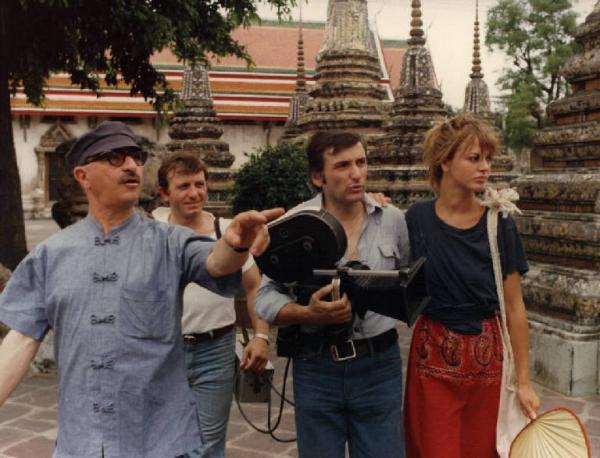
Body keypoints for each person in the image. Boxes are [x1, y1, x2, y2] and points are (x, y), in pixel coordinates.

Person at [0, 121, 283, 458]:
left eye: (135, 156)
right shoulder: (50, 255)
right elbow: (21, 339)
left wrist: (236, 245)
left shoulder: (170, 242)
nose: (131, 165)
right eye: (115, 158)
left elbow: (215, 263)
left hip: (156, 439)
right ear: (82, 176)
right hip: (83, 439)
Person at [256, 131, 410, 458]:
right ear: (317, 177)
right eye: (342, 165)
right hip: (316, 365)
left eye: (361, 162)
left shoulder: (393, 220)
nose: (356, 173)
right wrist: (306, 314)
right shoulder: (292, 225)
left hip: (378, 365)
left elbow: (409, 280)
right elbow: (264, 296)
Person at [402, 115, 539, 458]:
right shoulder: (416, 219)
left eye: (488, 159)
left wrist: (523, 381)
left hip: (487, 363)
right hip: (431, 356)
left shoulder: (499, 222)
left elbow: (514, 307)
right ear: (445, 162)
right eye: (474, 158)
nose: (485, 168)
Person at [153, 153, 270, 458]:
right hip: (164, 351)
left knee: (206, 445)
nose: (194, 193)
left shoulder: (229, 230)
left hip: (215, 350)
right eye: (183, 186)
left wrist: (261, 336)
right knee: (161, 440)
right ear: (165, 194)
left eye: (199, 184)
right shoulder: (151, 232)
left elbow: (255, 285)